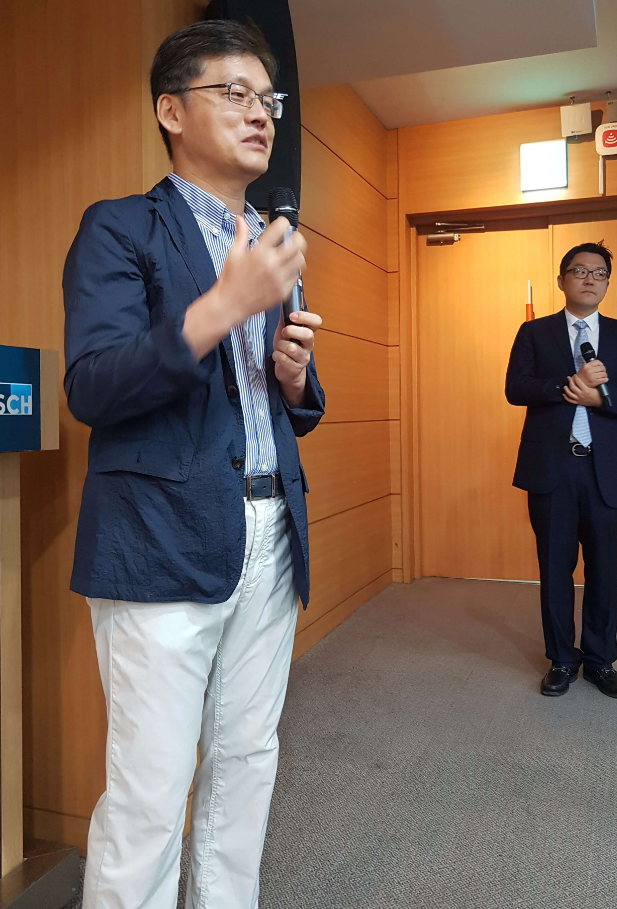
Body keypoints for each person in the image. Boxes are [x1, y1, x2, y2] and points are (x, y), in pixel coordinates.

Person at [63, 19, 324, 908]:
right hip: (158, 534)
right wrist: (223, 306)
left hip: (271, 527)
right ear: (171, 111)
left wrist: (294, 376)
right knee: (150, 788)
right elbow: (93, 385)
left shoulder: (272, 240)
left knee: (248, 759)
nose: (261, 115)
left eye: (268, 100)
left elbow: (287, 400)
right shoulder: (119, 228)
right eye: (234, 94)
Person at [505, 242, 617, 699]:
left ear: (607, 282)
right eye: (579, 270)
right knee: (555, 567)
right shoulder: (534, 332)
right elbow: (516, 388)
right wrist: (569, 385)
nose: (589, 278)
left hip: (605, 471)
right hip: (551, 469)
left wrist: (602, 398)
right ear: (562, 280)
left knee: (604, 568)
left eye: (599, 272)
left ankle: (599, 661)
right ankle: (561, 659)